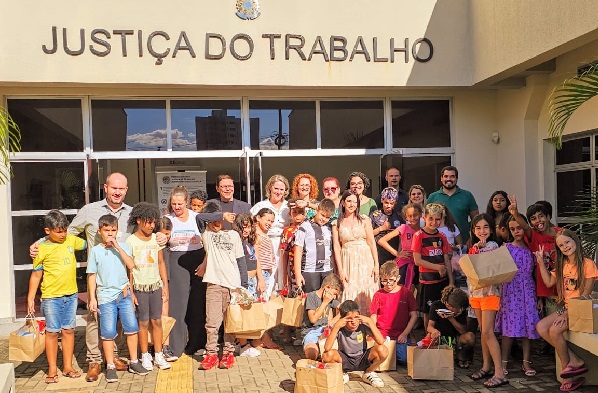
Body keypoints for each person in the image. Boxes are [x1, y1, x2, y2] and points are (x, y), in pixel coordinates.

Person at [28, 173, 160, 381]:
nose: (117, 192)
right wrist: (41, 241)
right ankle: (94, 360)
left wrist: (162, 235)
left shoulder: (132, 213)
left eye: (122, 189)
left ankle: (114, 357)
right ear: (105, 188)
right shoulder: (89, 211)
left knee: (116, 320)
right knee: (94, 319)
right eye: (113, 188)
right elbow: (67, 232)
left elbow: (144, 234)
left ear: (126, 190)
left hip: (122, 277)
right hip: (98, 277)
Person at [86, 215, 150, 382]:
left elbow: (131, 265)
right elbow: (92, 275)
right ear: (99, 231)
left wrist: (117, 247)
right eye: (106, 230)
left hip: (124, 294)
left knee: (131, 328)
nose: (110, 234)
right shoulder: (96, 251)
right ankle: (110, 365)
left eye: (113, 230)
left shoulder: (123, 246)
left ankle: (134, 361)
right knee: (108, 332)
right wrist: (92, 298)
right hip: (106, 297)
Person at [27, 210, 87, 384]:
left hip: (71, 295)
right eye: (58, 231)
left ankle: (67, 367)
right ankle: (52, 369)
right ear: (48, 231)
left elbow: (88, 242)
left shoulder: (71, 240)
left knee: (68, 330)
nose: (62, 234)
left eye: (64, 230)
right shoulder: (41, 249)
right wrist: (31, 298)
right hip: (51, 297)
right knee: (52, 332)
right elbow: (36, 275)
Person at [535, 229, 598, 392]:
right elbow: (549, 282)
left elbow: (585, 294)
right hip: (567, 308)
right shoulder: (562, 265)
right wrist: (541, 262)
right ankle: (575, 360)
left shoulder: (587, 264)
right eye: (561, 245)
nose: (565, 247)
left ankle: (567, 372)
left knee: (555, 331)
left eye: (567, 242)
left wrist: (567, 314)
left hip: (580, 309)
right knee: (541, 327)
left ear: (575, 241)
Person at [195, 202, 246, 370]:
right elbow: (199, 217)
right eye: (213, 221)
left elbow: (241, 262)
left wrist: (243, 286)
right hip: (214, 285)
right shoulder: (207, 235)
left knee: (230, 323)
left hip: (233, 286)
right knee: (212, 323)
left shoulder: (233, 235)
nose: (216, 224)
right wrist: (221, 215)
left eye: (219, 221)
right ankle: (211, 354)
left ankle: (228, 354)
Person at [125, 203, 171, 371]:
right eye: (148, 222)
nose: (152, 226)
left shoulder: (156, 239)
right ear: (138, 221)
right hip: (140, 288)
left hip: (155, 286)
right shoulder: (130, 241)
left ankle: (158, 354)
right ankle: (144, 355)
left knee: (157, 321)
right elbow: (128, 269)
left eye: (153, 222)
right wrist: (131, 292)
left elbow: (160, 262)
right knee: (143, 323)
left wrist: (165, 286)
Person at [495, 215, 539, 378]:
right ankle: (503, 362)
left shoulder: (532, 248)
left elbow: (536, 273)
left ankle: (526, 362)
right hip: (510, 290)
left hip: (527, 289)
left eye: (519, 228)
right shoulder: (506, 247)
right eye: (512, 229)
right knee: (509, 327)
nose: (516, 231)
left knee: (528, 327)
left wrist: (539, 297)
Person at [467, 213, 508, 388]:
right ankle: (486, 366)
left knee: (488, 332)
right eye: (478, 228)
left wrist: (479, 251)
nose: (482, 231)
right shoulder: (473, 246)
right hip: (475, 293)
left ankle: (500, 373)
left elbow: (491, 267)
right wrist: (474, 250)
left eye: (485, 227)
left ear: (491, 230)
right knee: (482, 330)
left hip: (490, 293)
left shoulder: (493, 245)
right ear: (474, 230)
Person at [165, 185, 206, 357]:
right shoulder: (167, 219)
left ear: (187, 202)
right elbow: (162, 240)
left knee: (197, 305)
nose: (177, 207)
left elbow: (208, 241)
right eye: (174, 204)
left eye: (180, 204)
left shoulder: (198, 218)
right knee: (178, 306)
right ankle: (176, 347)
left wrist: (204, 263)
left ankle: (197, 344)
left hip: (198, 260)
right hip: (177, 261)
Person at [508, 196, 561, 319]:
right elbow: (525, 227)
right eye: (533, 219)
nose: (538, 220)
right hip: (547, 290)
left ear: (548, 217)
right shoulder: (534, 236)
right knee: (552, 323)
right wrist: (515, 213)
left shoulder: (561, 233)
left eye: (541, 216)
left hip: (564, 285)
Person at [332, 190, 380, 315]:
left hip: (365, 260)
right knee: (349, 290)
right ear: (343, 203)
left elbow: (371, 242)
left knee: (367, 290)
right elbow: (337, 247)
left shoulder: (364, 220)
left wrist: (376, 264)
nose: (352, 204)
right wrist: (340, 270)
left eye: (355, 202)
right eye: (349, 201)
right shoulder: (336, 223)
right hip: (348, 261)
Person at [322, 300, 388, 388]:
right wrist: (336, 326)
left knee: (382, 350)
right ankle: (342, 374)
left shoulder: (363, 327)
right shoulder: (340, 329)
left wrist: (369, 321)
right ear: (343, 319)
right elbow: (327, 348)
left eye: (356, 317)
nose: (353, 321)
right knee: (327, 355)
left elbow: (381, 341)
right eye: (349, 318)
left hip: (362, 358)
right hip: (345, 360)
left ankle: (368, 373)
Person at [412, 203, 453, 329]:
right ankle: (428, 340)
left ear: (442, 219)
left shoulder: (442, 236)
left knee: (443, 310)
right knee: (428, 313)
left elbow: (447, 260)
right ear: (424, 217)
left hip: (442, 281)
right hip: (427, 282)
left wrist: (451, 281)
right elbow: (417, 260)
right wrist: (437, 267)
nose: (434, 222)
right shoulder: (419, 235)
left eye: (437, 219)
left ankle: (442, 340)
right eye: (431, 218)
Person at [369, 261, 417, 366]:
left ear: (398, 278)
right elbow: (373, 316)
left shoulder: (406, 293)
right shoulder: (378, 294)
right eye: (384, 281)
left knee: (404, 359)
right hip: (382, 335)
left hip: (400, 335)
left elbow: (414, 315)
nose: (388, 284)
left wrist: (404, 334)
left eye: (391, 280)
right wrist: (375, 334)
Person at [251, 174, 291, 288]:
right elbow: (251, 224)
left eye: (281, 189)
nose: (278, 192)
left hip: (284, 244)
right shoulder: (261, 206)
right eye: (276, 188)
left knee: (284, 275)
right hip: (265, 243)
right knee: (269, 274)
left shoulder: (289, 206)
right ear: (270, 188)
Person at [232, 213, 262, 358]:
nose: (246, 230)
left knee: (249, 313)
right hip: (241, 282)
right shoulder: (235, 241)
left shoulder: (251, 241)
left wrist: (260, 279)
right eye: (243, 227)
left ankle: (242, 342)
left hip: (253, 280)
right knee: (241, 314)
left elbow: (257, 260)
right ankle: (243, 344)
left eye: (249, 226)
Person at [253, 207, 283, 349]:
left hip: (266, 273)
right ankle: (263, 338)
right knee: (261, 307)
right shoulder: (257, 235)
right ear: (258, 218)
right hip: (261, 274)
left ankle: (259, 339)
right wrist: (260, 278)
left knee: (262, 306)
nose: (270, 223)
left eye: (272, 221)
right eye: (267, 220)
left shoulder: (263, 234)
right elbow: (256, 258)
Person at [294, 198, 336, 293]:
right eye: (322, 215)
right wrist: (298, 274)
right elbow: (298, 250)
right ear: (317, 210)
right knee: (311, 301)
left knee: (327, 300)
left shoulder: (329, 227)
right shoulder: (304, 226)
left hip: (327, 270)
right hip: (310, 271)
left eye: (327, 217)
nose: (324, 219)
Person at [377, 203, 423, 292]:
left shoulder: (423, 230)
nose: (413, 218)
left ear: (421, 214)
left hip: (419, 263)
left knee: (420, 290)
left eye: (415, 215)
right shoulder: (404, 227)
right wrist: (397, 253)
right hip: (405, 263)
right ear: (406, 217)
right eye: (410, 216)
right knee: (402, 290)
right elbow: (381, 240)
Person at [427, 166, 479, 243]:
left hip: (464, 243)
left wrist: (472, 238)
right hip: (437, 245)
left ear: (456, 179)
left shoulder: (467, 195)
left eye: (452, 176)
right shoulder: (433, 197)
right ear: (441, 178)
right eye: (446, 176)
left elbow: (476, 220)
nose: (449, 179)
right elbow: (427, 220)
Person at [427, 286, 475, 369]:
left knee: (470, 337)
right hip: (440, 337)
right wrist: (434, 331)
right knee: (429, 336)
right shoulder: (436, 305)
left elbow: (463, 331)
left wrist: (451, 318)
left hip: (455, 339)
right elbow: (430, 326)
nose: (457, 310)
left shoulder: (460, 310)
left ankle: (460, 353)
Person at [301, 273, 342, 360]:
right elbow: (313, 319)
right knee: (311, 354)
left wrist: (334, 320)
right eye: (334, 293)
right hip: (311, 331)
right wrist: (325, 302)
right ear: (327, 287)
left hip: (325, 330)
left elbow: (345, 310)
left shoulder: (331, 299)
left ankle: (322, 351)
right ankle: (317, 350)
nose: (334, 297)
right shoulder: (312, 297)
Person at [156, 216, 177, 361]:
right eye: (162, 233)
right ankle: (154, 347)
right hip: (150, 281)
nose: (164, 237)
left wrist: (166, 285)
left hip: (165, 281)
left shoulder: (170, 246)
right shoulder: (152, 243)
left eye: (167, 234)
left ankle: (165, 346)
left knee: (165, 313)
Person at [370, 187, 403, 265]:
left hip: (394, 255)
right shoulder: (375, 215)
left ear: (395, 203)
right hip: (378, 254)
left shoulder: (399, 217)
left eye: (391, 203)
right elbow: (368, 234)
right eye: (386, 202)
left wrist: (398, 253)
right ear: (382, 200)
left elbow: (402, 237)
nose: (388, 206)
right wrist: (381, 228)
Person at [280, 202, 306, 295]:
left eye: (300, 212)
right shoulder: (287, 230)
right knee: (296, 297)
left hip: (308, 266)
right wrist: (284, 277)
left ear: (305, 213)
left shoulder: (309, 228)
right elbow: (285, 253)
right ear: (290, 213)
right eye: (295, 212)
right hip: (292, 268)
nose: (297, 215)